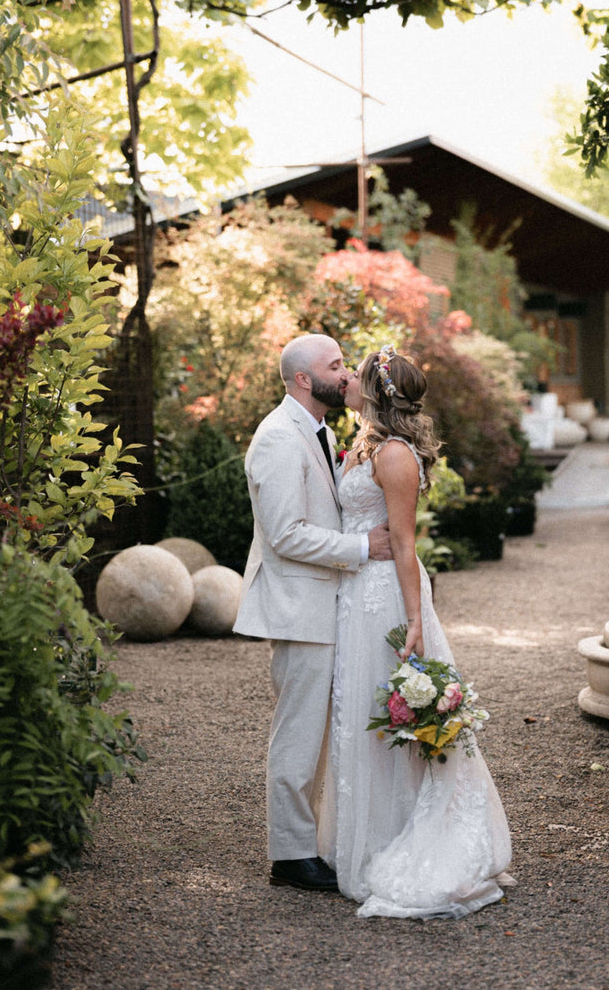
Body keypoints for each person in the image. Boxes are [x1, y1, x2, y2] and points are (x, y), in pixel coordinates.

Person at [319, 345, 513, 919]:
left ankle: (410, 839)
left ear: (375, 392)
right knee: (357, 713)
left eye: (354, 376)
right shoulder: (360, 445)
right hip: (354, 595)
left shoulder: (397, 455)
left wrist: (414, 623)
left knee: (391, 715)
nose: (348, 381)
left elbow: (405, 545)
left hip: (385, 599)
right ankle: (365, 838)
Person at [234, 333, 393, 893]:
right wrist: (361, 549)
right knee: (298, 735)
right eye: (336, 366)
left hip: (326, 604)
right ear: (304, 379)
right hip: (298, 605)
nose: (346, 374)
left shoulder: (320, 431)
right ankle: (290, 855)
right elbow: (284, 535)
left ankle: (308, 844)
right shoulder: (278, 438)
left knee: (321, 733)